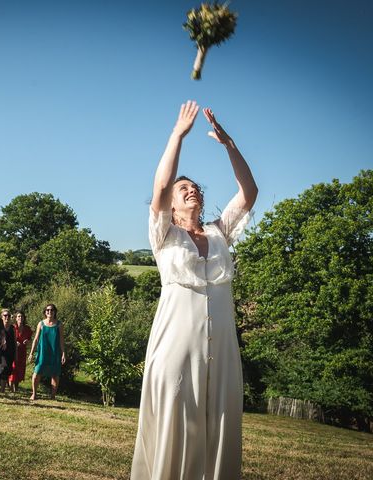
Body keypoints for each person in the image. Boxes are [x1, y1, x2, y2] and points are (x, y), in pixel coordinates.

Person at [130, 101, 258, 480]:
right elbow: (160, 184)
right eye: (182, 188)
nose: (191, 191)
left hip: (221, 347)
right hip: (176, 344)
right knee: (175, 414)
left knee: (221, 421)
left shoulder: (221, 231)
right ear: (171, 201)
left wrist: (228, 144)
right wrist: (178, 135)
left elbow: (249, 191)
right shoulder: (164, 234)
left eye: (195, 187)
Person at [28, 304, 66, 400]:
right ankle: (34, 394)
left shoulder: (59, 325)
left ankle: (53, 396)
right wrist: (31, 353)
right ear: (45, 312)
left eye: (52, 310)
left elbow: (61, 340)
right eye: (47, 310)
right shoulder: (41, 324)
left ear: (55, 312)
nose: (50, 311)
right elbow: (36, 339)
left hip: (55, 353)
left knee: (55, 374)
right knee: (37, 373)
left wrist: (63, 353)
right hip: (42, 353)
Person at [9, 311, 32, 392]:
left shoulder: (27, 328)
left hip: (22, 352)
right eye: (18, 316)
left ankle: (16, 387)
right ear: (16, 318)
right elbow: (8, 338)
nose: (20, 318)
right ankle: (10, 386)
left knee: (20, 369)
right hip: (13, 351)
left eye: (22, 316)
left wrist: (27, 341)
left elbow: (30, 340)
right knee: (13, 368)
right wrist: (14, 342)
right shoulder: (12, 327)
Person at [0, 308, 15, 392]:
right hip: (1, 352)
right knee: (3, 369)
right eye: (5, 315)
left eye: (8, 316)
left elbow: (15, 341)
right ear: (2, 317)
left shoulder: (13, 328)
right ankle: (2, 390)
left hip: (11, 352)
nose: (7, 317)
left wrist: (16, 354)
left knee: (8, 369)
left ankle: (7, 388)